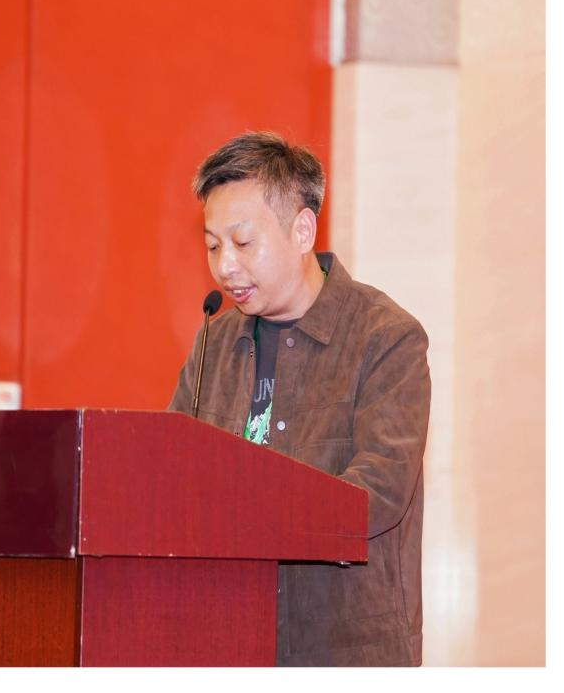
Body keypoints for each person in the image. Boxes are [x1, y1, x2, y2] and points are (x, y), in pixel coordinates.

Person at [168, 131, 430, 666]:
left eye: (243, 243)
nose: (225, 267)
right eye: (213, 246)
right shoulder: (215, 341)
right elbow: (171, 472)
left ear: (302, 230)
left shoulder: (385, 338)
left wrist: (251, 517)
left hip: (343, 650)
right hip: (226, 640)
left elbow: (377, 492)